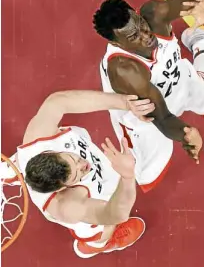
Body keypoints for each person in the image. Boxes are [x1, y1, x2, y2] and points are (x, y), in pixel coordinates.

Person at [92, 0, 204, 193]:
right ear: (116, 43)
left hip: (176, 80)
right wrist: (187, 135)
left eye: (140, 24)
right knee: (146, 175)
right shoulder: (125, 70)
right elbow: (163, 117)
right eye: (134, 36)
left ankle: (202, 43)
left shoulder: (154, 13)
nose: (145, 35)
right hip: (144, 113)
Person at [11, 90, 154, 258]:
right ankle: (98, 245)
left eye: (73, 158)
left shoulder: (38, 137)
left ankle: (14, 169)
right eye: (77, 174)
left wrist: (124, 102)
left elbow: (58, 101)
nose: (84, 164)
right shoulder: (68, 206)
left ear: (51, 152)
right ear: (62, 187)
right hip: (95, 208)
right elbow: (116, 214)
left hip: (35, 159)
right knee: (104, 228)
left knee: (24, 156)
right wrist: (127, 176)